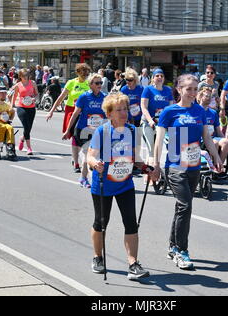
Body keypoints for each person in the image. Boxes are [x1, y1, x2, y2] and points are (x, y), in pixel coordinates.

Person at [151, 74, 223, 270]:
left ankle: (173, 247)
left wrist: (216, 157)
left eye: (194, 89)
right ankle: (182, 251)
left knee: (181, 208)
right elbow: (158, 140)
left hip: (193, 166)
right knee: (185, 206)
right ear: (179, 90)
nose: (192, 93)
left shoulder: (200, 111)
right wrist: (156, 165)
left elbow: (206, 137)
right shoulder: (169, 112)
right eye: (188, 89)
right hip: (175, 166)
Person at [87, 92, 153, 280]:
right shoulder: (103, 131)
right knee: (101, 222)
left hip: (124, 184)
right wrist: (94, 164)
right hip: (103, 185)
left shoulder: (132, 131)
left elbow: (135, 159)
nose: (124, 113)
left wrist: (146, 167)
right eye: (119, 110)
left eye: (125, 109)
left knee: (131, 222)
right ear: (109, 114)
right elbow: (91, 155)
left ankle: (133, 263)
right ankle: (97, 257)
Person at [63, 74, 107, 188]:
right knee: (89, 154)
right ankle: (88, 178)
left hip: (98, 132)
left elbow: (107, 115)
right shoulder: (84, 97)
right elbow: (75, 114)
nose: (99, 85)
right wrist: (68, 130)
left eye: (100, 83)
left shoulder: (104, 97)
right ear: (90, 85)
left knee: (94, 155)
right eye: (97, 83)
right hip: (83, 130)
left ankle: (84, 177)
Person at [47, 63, 91, 173]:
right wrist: (51, 111)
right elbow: (61, 98)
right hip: (72, 110)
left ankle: (79, 157)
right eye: (83, 73)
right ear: (78, 73)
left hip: (85, 112)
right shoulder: (71, 83)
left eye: (86, 74)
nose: (85, 76)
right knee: (75, 135)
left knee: (85, 136)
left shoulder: (89, 83)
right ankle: (76, 162)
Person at [140, 68, 174, 167]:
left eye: (161, 76)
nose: (159, 77)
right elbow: (144, 107)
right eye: (157, 76)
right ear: (153, 78)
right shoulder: (148, 89)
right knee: (151, 151)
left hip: (162, 125)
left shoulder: (168, 90)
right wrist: (150, 121)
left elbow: (171, 108)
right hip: (148, 124)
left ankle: (152, 175)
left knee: (158, 151)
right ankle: (151, 177)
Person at [197, 87, 228, 171]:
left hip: (213, 137)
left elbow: (218, 131)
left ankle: (219, 167)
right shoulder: (196, 111)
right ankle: (212, 167)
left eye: (210, 96)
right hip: (201, 139)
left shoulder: (213, 112)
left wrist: (224, 138)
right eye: (207, 96)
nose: (209, 98)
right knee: (214, 142)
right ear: (200, 97)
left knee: (226, 142)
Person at [11, 69, 39, 156]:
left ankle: (22, 138)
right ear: (20, 76)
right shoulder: (18, 85)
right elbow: (14, 96)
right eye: (24, 75)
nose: (26, 77)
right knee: (26, 126)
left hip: (31, 107)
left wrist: (35, 98)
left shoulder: (33, 83)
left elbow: (37, 94)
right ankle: (29, 148)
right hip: (21, 107)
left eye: (27, 75)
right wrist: (11, 106)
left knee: (29, 128)